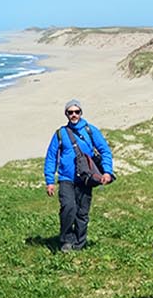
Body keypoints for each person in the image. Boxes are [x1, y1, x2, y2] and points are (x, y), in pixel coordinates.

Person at [42, 99, 114, 251]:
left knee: (82, 212)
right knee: (68, 208)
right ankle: (66, 240)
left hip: (85, 178)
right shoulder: (60, 134)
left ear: (81, 113)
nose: (74, 115)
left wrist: (107, 171)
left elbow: (105, 151)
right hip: (66, 178)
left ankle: (79, 243)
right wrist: (50, 180)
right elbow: (51, 157)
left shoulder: (90, 130)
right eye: (70, 112)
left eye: (77, 112)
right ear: (66, 114)